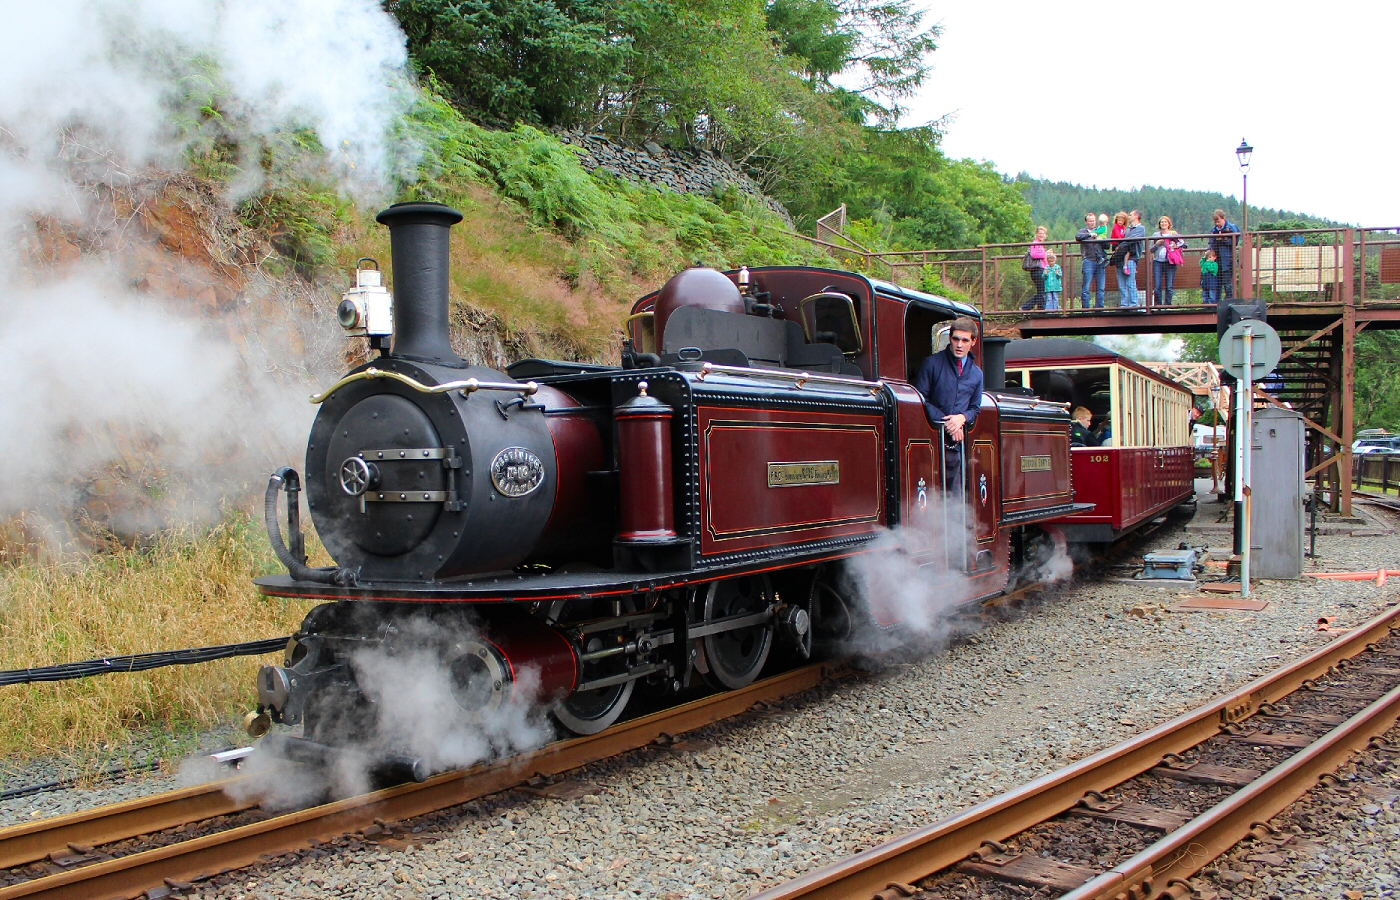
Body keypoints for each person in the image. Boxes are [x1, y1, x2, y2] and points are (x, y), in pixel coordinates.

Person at [912, 317, 983, 489]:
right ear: (950, 338)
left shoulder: (976, 374)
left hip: (959, 446)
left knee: (958, 495)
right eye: (956, 339)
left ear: (973, 342)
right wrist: (949, 423)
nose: (959, 344)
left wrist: (962, 418)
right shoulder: (931, 364)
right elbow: (919, 399)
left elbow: (975, 408)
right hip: (931, 440)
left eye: (965, 340)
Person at [1151, 216, 1185, 306]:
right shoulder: (1156, 235)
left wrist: (1175, 246)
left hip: (1171, 261)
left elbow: (1183, 244)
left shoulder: (1174, 234)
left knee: (1169, 285)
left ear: (1169, 224)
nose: (1163, 224)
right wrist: (1157, 244)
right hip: (1158, 261)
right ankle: (1158, 305)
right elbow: (1151, 249)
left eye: (1165, 222)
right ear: (1159, 224)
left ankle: (1168, 304)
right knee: (1158, 285)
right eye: (1162, 222)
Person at [1076, 212, 1108, 308]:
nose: (1092, 223)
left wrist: (1102, 239)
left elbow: (1107, 246)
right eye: (1090, 221)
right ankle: (1086, 308)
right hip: (1088, 261)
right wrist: (1090, 234)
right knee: (1086, 287)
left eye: (1093, 221)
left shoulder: (1100, 231)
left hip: (1100, 261)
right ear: (1086, 222)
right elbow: (1078, 237)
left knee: (1101, 287)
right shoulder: (1083, 231)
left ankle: (1099, 308)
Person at [1211, 209, 1241, 302]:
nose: (1217, 224)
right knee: (1217, 283)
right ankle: (1217, 303)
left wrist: (1223, 239)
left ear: (1224, 219)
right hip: (1217, 260)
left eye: (1218, 221)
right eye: (1215, 222)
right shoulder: (1214, 230)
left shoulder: (1232, 228)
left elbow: (1235, 242)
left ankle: (1229, 301)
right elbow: (1211, 243)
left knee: (1227, 283)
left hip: (1228, 260)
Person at [1121, 210, 1146, 308]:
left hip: (1133, 256)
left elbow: (1132, 239)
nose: (1129, 216)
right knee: (1125, 282)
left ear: (1136, 216)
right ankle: (1126, 303)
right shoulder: (1128, 230)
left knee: (1131, 281)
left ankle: (1133, 303)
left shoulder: (1140, 228)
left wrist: (1121, 245)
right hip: (1125, 257)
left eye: (1130, 215)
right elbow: (1126, 240)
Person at [1021, 226, 1049, 310]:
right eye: (1040, 233)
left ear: (1046, 235)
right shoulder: (1035, 243)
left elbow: (1044, 261)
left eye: (1043, 233)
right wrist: (1045, 254)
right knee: (1042, 291)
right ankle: (1026, 307)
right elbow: (1034, 255)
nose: (1041, 235)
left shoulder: (1041, 245)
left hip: (1042, 269)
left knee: (1042, 291)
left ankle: (1041, 308)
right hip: (1037, 270)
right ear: (1036, 234)